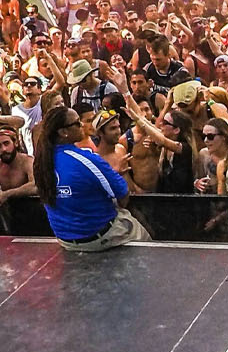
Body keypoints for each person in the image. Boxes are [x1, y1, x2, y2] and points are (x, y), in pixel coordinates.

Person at [33, 107, 147, 251]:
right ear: (63, 132)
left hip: (65, 240)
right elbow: (123, 197)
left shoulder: (41, 162)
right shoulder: (87, 160)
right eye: (77, 123)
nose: (82, 125)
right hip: (99, 238)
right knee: (147, 244)